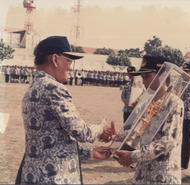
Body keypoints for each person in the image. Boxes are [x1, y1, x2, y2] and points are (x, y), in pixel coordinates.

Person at [15, 36, 115, 184]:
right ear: (55, 59)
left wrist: (90, 153)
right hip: (55, 177)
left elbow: (52, 139)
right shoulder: (53, 88)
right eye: (68, 60)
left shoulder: (33, 88)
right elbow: (80, 132)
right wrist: (101, 128)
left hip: (34, 176)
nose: (70, 66)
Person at [114, 55, 184, 184]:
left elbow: (168, 141)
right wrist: (116, 135)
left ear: (162, 75)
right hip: (142, 174)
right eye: (142, 77)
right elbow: (139, 131)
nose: (144, 81)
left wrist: (133, 156)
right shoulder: (147, 102)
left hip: (163, 176)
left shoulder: (174, 103)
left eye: (147, 76)